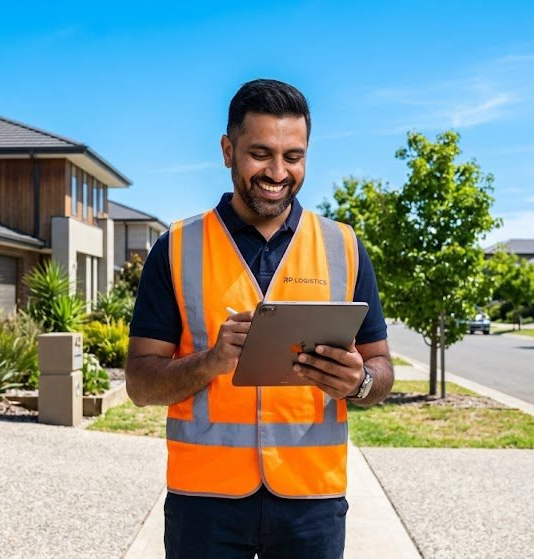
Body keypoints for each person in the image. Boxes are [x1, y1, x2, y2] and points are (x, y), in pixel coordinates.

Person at [125, 78, 393, 559]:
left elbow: (381, 369)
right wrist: (209, 363)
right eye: (260, 153)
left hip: (312, 500)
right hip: (203, 501)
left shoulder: (344, 247)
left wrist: (361, 383)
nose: (277, 171)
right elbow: (141, 385)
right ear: (228, 150)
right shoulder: (177, 248)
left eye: (293, 156)